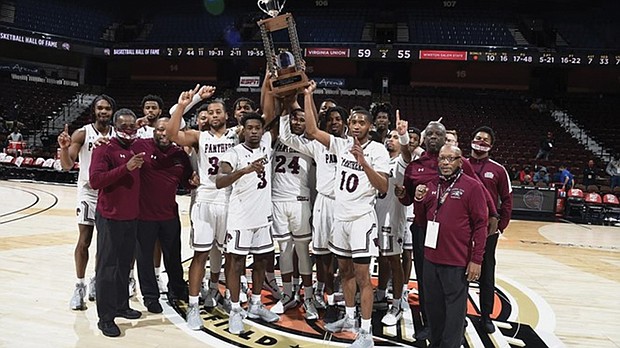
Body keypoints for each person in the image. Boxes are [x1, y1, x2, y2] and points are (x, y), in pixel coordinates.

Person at [303, 80, 390, 347]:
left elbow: (384, 187)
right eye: (353, 122)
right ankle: (350, 318)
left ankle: (365, 333)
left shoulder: (378, 150)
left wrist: (363, 161)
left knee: (364, 277)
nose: (356, 125)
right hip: (340, 218)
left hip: (361, 220)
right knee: (344, 273)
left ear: (370, 126)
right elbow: (311, 130)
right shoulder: (340, 145)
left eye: (361, 122)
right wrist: (308, 96)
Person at [166, 88, 242, 330]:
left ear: (226, 115)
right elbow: (171, 134)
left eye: (218, 111)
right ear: (206, 117)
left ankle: (233, 303)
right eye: (210, 112)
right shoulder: (199, 136)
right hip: (206, 199)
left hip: (231, 200)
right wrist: (184, 104)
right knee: (200, 254)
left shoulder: (236, 135)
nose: (214, 115)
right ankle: (194, 306)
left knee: (232, 257)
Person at [278, 105, 349, 323]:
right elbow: (287, 137)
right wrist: (290, 106)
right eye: (331, 120)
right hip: (324, 202)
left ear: (345, 123)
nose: (334, 123)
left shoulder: (352, 145)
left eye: (338, 119)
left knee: (347, 259)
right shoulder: (317, 145)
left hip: (348, 204)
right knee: (322, 254)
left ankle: (346, 300)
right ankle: (326, 296)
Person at [412, 144, 488, 348]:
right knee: (433, 308)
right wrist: (418, 201)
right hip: (431, 258)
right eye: (442, 159)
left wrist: (476, 259)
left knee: (454, 312)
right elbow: (420, 221)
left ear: (459, 161)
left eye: (450, 159)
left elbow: (481, 225)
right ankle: (435, 343)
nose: (445, 163)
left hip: (457, 260)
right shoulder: (430, 184)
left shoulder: (472, 186)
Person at [216, 111, 280, 335]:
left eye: (257, 128)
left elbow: (274, 111)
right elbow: (220, 181)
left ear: (262, 130)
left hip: (263, 216)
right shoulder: (233, 153)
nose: (254, 131)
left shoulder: (266, 145)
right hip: (240, 217)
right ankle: (234, 309)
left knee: (262, 261)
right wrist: (244, 170)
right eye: (249, 128)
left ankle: (255, 303)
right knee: (235, 263)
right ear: (242, 129)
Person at [89, 108, 144, 337]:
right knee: (107, 268)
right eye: (124, 126)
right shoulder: (103, 148)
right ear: (115, 126)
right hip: (110, 217)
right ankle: (106, 318)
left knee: (124, 267)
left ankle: (122, 305)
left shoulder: (137, 147)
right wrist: (126, 168)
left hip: (131, 217)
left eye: (132, 126)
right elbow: (95, 181)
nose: (128, 130)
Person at [57, 95, 116, 310]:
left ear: (112, 112)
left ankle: (96, 281)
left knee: (105, 243)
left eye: (107, 108)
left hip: (110, 194)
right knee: (85, 240)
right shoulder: (82, 133)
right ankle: (79, 286)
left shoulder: (117, 134)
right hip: (88, 193)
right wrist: (64, 148)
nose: (103, 112)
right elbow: (66, 165)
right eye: (100, 108)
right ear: (94, 111)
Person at [133, 118, 194, 314]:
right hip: (144, 215)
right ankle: (150, 297)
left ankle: (176, 289)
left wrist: (194, 182)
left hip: (169, 214)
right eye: (160, 130)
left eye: (167, 130)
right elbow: (120, 145)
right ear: (153, 131)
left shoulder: (180, 155)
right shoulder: (141, 146)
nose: (163, 133)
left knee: (173, 256)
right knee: (144, 259)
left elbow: (187, 182)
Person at [269, 108, 319, 319]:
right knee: (284, 249)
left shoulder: (310, 145)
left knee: (302, 249)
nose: (298, 122)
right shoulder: (276, 139)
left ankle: (308, 296)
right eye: (294, 119)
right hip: (277, 200)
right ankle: (288, 294)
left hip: (300, 200)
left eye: (301, 119)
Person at [466, 126, 513, 333]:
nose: (481, 141)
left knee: (486, 273)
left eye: (485, 139)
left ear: (491, 145)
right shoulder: (461, 163)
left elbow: (508, 199)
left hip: (487, 230)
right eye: (478, 137)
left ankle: (486, 316)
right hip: (462, 228)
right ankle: (461, 314)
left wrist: (500, 226)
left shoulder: (498, 169)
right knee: (460, 272)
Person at [375, 120, 412, 327]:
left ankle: (397, 304)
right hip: (375, 215)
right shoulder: (380, 159)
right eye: (389, 136)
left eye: (395, 137)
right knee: (382, 258)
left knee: (394, 261)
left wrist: (404, 135)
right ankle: (380, 294)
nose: (391, 139)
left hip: (392, 216)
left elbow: (407, 153)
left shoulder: (402, 161)